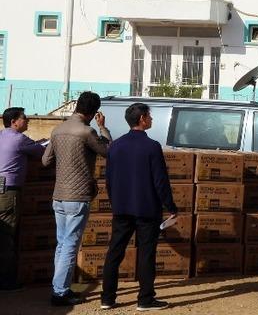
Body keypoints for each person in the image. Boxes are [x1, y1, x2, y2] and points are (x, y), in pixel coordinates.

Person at [100, 103, 176, 311]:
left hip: (121, 207)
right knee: (146, 253)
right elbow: (160, 181)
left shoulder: (115, 146)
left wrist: (115, 201)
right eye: (149, 116)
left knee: (115, 251)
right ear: (142, 119)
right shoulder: (152, 146)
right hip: (146, 209)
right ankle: (145, 299)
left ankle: (107, 298)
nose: (151, 120)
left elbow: (108, 179)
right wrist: (170, 206)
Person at [42, 91, 112, 307]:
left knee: (62, 244)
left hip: (59, 196)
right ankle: (60, 293)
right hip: (78, 196)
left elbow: (45, 161)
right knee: (71, 244)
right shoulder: (87, 131)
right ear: (93, 112)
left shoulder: (57, 129)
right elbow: (109, 151)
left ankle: (59, 287)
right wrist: (103, 128)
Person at [0, 107, 46, 292]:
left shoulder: (3, 136)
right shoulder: (19, 139)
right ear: (14, 122)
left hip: (1, 187)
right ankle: (6, 282)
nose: (27, 121)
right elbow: (41, 152)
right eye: (24, 118)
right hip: (10, 192)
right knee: (7, 236)